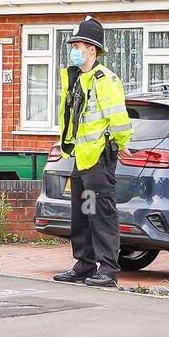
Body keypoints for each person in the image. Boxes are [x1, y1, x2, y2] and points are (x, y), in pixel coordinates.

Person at [52, 17, 133, 288]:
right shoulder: (77, 79)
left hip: (99, 159)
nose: (73, 49)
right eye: (73, 44)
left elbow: (118, 119)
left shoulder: (104, 80)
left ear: (92, 50)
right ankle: (84, 264)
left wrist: (120, 143)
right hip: (83, 159)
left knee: (102, 213)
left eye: (78, 44)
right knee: (83, 212)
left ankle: (108, 268)